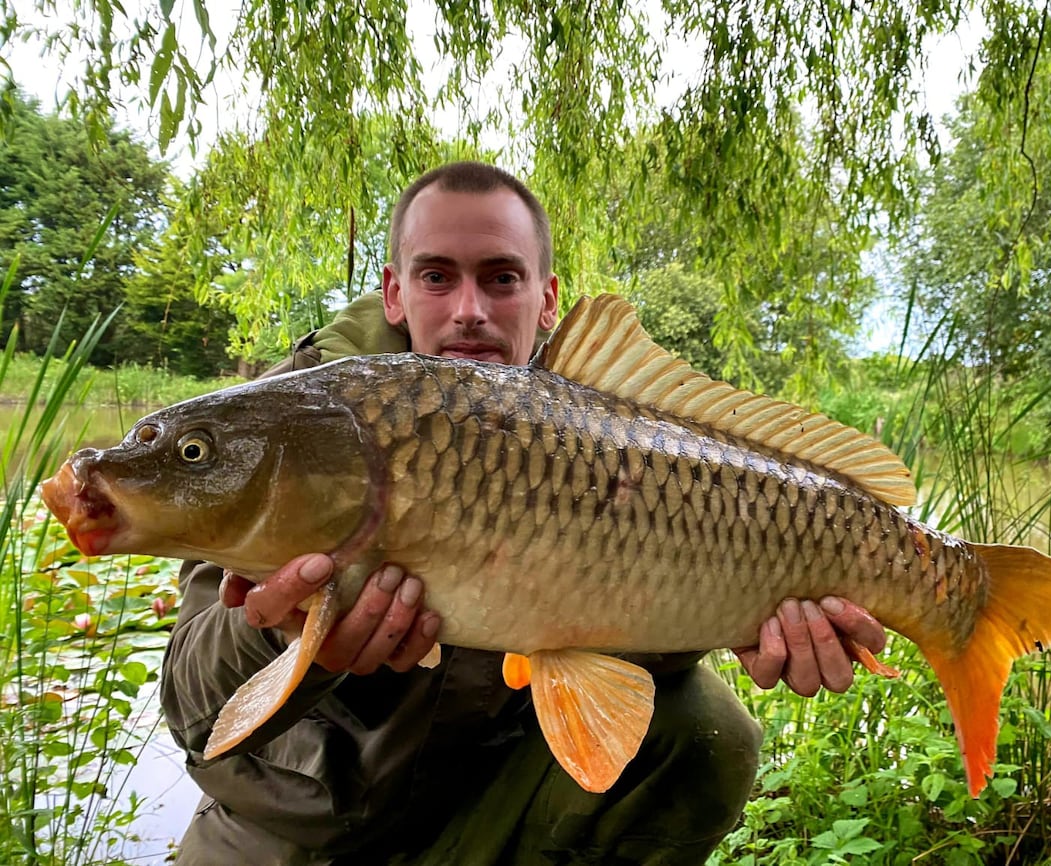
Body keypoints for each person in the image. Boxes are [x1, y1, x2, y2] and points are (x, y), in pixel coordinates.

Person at [160, 161, 887, 865]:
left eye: (501, 278)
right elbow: (192, 710)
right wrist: (283, 635)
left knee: (703, 730)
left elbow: (636, 633)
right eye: (436, 276)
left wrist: (747, 622)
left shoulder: (610, 432)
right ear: (393, 292)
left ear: (547, 300)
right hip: (287, 845)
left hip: (481, 811)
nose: (468, 310)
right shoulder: (289, 424)